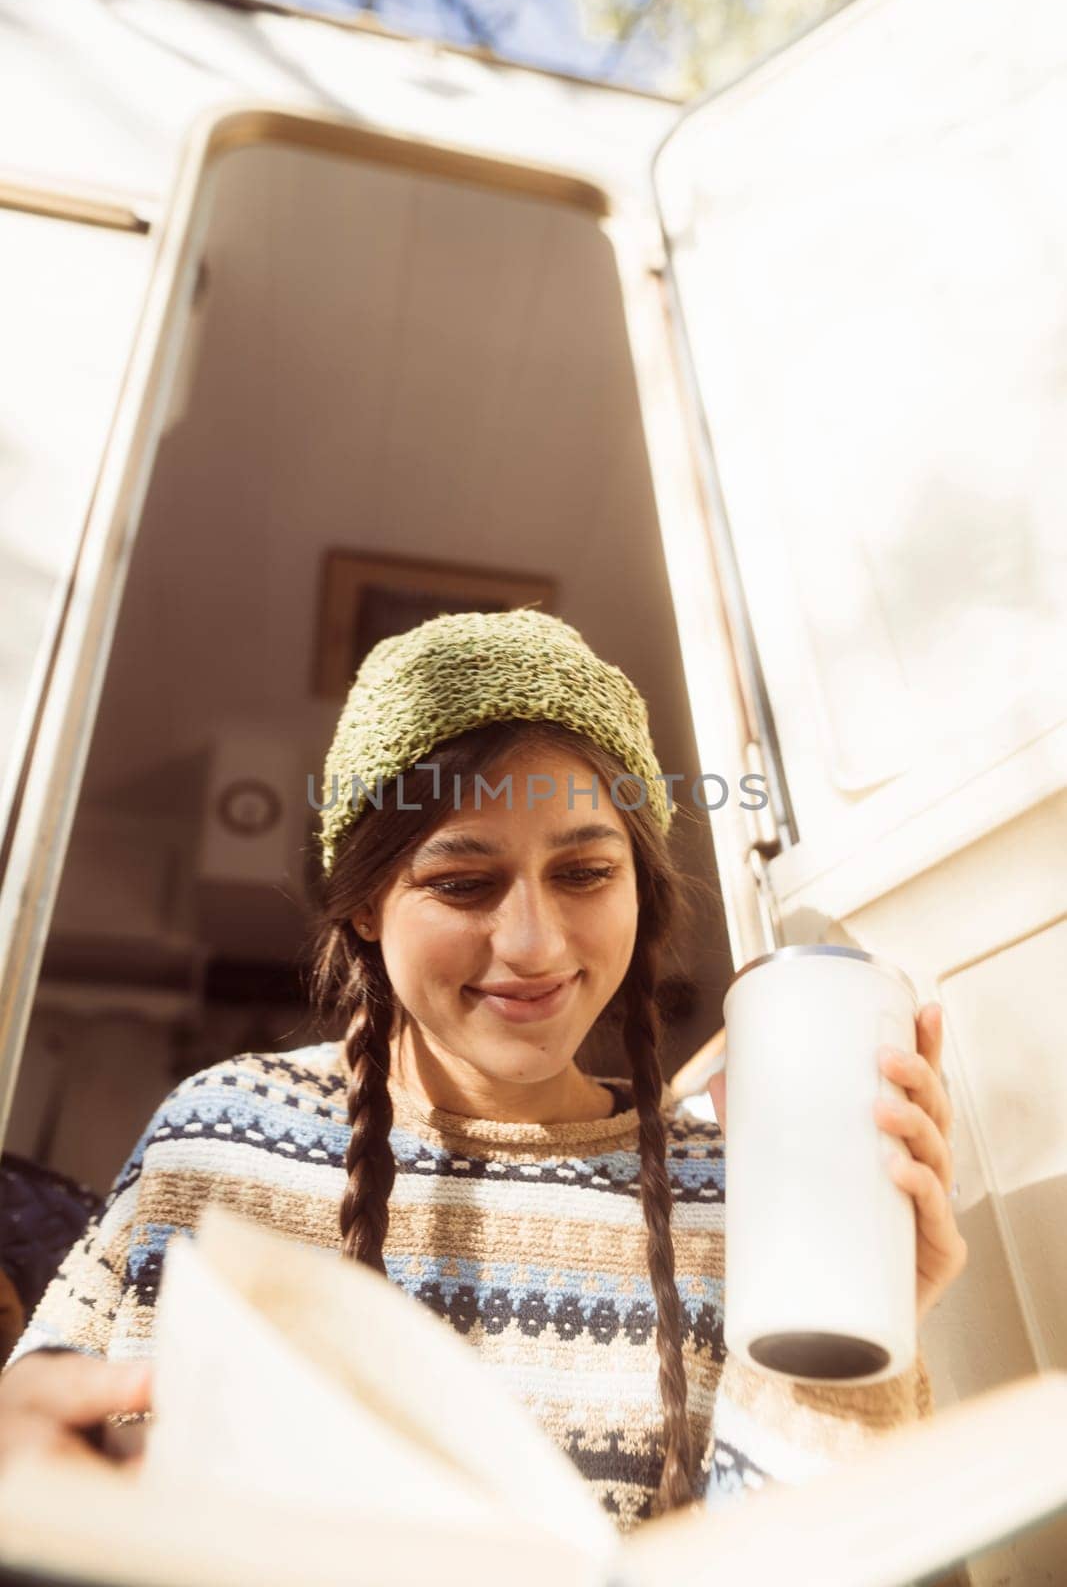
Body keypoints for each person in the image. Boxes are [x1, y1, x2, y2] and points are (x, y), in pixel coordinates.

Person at [0, 608, 967, 1528]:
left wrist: (862, 1336)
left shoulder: (742, 1197)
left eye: (585, 873)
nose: (534, 943)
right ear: (368, 905)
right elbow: (41, 1457)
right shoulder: (219, 1134)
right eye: (463, 884)